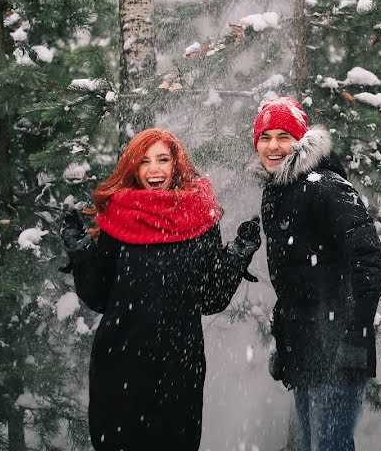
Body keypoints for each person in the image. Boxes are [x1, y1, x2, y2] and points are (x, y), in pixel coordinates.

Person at [58, 128, 260, 451]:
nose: (154, 169)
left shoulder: (199, 215)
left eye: (163, 159)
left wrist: (236, 256)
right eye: (145, 161)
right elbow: (97, 295)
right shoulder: (119, 215)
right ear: (134, 169)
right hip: (120, 365)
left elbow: (211, 297)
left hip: (178, 370)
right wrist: (82, 251)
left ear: (175, 165)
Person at [251, 97, 381, 451]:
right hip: (306, 349)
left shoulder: (327, 186)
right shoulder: (277, 193)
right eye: (265, 137)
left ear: (301, 141)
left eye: (284, 136)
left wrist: (354, 337)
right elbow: (295, 284)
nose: (273, 146)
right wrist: (286, 342)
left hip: (338, 347)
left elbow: (370, 261)